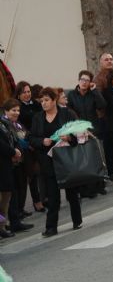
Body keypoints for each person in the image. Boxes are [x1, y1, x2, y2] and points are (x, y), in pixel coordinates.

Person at [30, 88, 82, 237]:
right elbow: (32, 138)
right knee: (52, 195)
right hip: (48, 159)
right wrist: (42, 141)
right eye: (42, 101)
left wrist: (70, 138)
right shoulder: (38, 118)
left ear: (54, 100)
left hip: (66, 157)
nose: (44, 104)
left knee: (72, 191)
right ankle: (51, 227)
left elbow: (79, 134)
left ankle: (77, 220)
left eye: (46, 100)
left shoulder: (67, 114)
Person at [67, 70, 107, 197]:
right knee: (84, 161)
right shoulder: (72, 95)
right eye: (82, 80)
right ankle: (86, 189)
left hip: (93, 130)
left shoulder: (92, 94)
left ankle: (99, 185)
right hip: (79, 132)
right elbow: (70, 113)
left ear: (91, 82)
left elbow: (102, 105)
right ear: (79, 80)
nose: (84, 83)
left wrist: (95, 91)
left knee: (96, 159)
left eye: (87, 80)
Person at [1, 99, 35, 232]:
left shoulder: (13, 124)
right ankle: (4, 226)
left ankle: (13, 222)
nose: (17, 113)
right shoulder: (3, 124)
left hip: (13, 161)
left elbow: (14, 139)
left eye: (18, 110)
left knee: (12, 193)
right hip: (4, 163)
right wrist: (13, 152)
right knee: (4, 198)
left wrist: (17, 150)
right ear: (6, 111)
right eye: (13, 110)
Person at [15, 81, 45, 213]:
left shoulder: (37, 104)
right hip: (27, 145)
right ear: (18, 95)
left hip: (40, 141)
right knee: (31, 174)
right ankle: (35, 201)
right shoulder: (18, 107)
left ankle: (45, 198)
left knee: (42, 171)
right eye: (24, 92)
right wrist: (29, 143)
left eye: (28, 91)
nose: (27, 94)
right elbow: (19, 128)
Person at [0, 108, 21, 238]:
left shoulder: (2, 123)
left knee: (5, 198)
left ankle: (1, 227)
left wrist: (14, 150)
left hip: (5, 165)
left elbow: (8, 139)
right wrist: (13, 152)